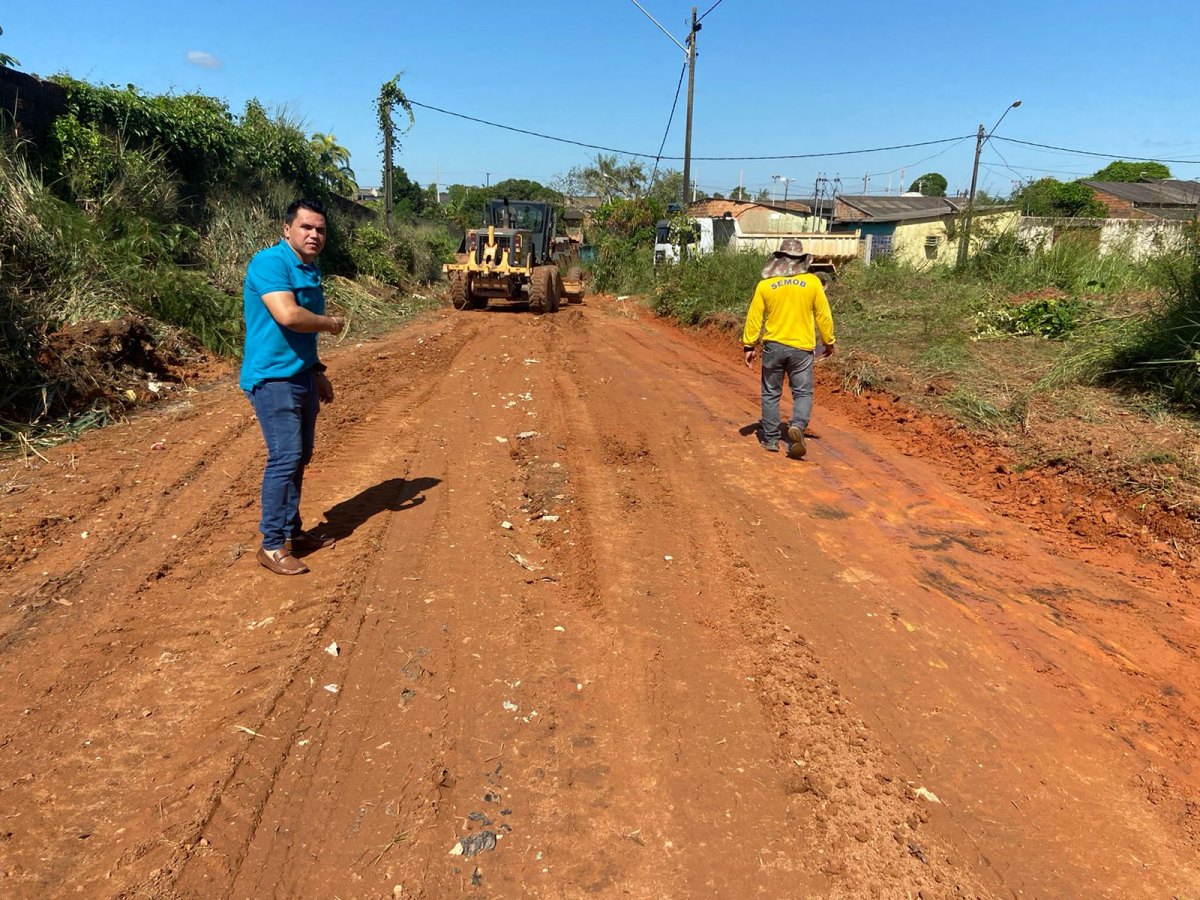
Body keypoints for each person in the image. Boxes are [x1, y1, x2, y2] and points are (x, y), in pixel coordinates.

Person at [241, 199, 346, 575]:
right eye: (306, 227)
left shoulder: (309, 269)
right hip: (272, 379)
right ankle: (271, 544)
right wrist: (330, 322)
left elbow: (302, 338)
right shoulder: (270, 263)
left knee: (299, 456)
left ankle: (293, 532)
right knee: (285, 457)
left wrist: (316, 371)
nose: (314, 234)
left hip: (300, 376)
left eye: (320, 229)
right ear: (287, 229)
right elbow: (288, 316)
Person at [742, 239, 836, 460]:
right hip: (801, 349)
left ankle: (772, 439)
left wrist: (749, 345)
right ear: (802, 260)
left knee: (771, 392)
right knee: (802, 392)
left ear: (777, 260)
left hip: (773, 347)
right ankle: (797, 425)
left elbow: (754, 318)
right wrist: (828, 342)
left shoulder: (765, 285)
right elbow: (824, 315)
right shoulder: (812, 283)